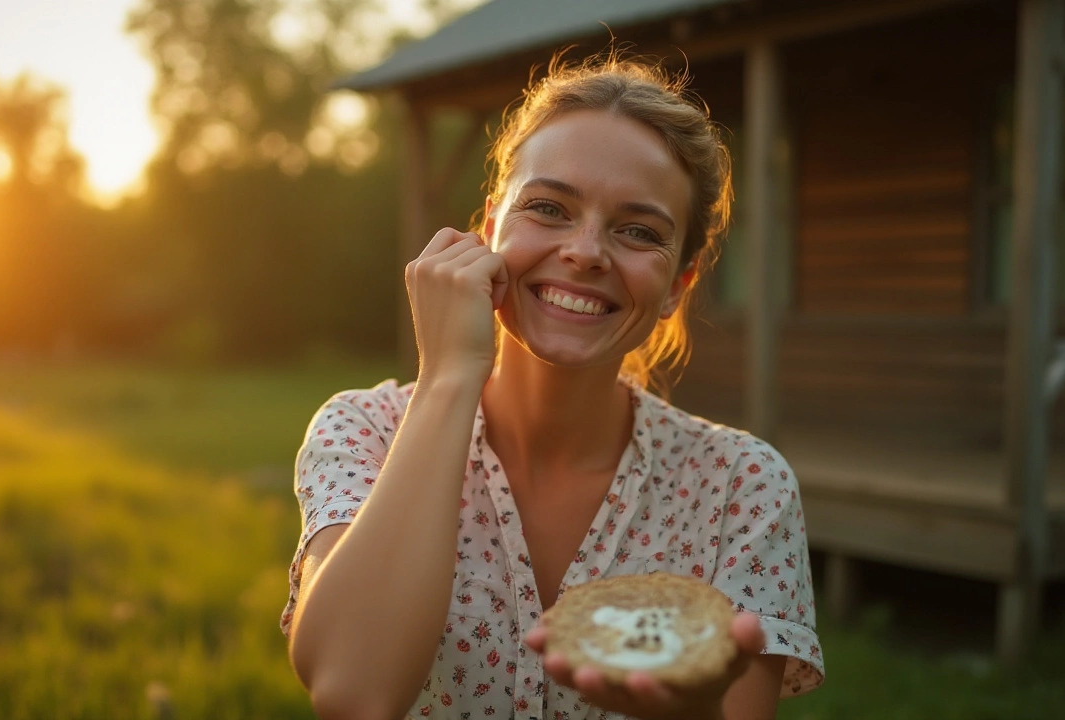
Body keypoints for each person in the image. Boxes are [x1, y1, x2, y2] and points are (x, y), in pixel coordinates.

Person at [281, 52, 824, 720]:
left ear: (676, 287)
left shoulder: (743, 486)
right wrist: (449, 379)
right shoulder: (362, 431)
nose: (586, 251)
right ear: (489, 230)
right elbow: (352, 693)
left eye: (638, 231)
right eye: (548, 207)